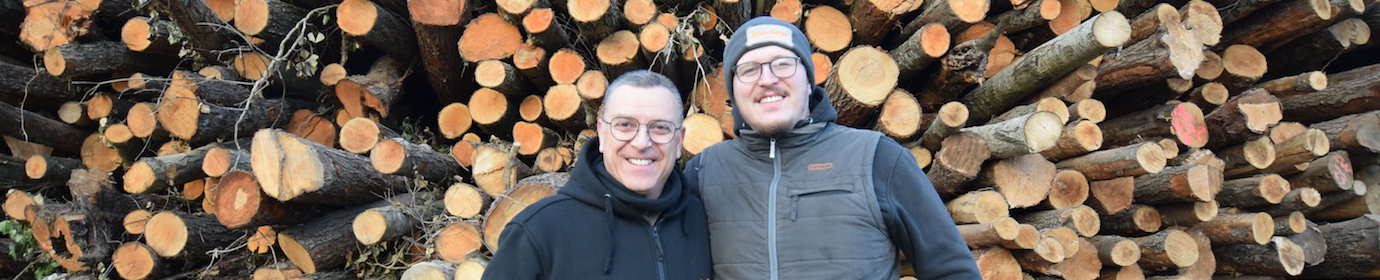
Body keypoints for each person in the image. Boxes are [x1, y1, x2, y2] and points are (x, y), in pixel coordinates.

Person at [684, 17, 982, 279]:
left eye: (783, 64)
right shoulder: (704, 171)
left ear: (808, 79)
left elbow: (951, 270)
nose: (768, 79)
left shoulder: (877, 158)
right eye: (749, 70)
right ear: (733, 89)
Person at [483, 70, 713, 279]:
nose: (642, 142)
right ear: (602, 134)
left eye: (660, 127)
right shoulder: (539, 230)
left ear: (679, 140)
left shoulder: (701, 219)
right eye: (625, 125)